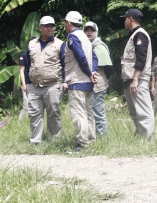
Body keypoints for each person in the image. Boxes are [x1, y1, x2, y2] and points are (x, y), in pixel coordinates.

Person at [25, 15, 66, 145]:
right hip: (34, 86)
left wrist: (64, 82)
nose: (50, 28)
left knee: (54, 114)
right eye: (47, 26)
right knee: (34, 115)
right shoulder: (32, 43)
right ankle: (35, 141)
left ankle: (54, 141)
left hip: (53, 85)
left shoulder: (60, 44)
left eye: (52, 26)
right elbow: (27, 64)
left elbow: (66, 64)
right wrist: (26, 82)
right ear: (40, 28)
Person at [63, 11, 98, 151]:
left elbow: (80, 56)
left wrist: (89, 73)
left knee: (78, 112)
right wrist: (93, 72)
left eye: (65, 22)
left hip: (78, 80)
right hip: (88, 82)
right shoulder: (85, 37)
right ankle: (92, 140)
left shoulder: (73, 37)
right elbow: (94, 57)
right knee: (88, 112)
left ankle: (83, 144)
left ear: (68, 23)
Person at [120, 9, 155, 139]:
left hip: (138, 80)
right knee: (135, 112)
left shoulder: (140, 35)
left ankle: (147, 140)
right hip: (131, 80)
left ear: (130, 19)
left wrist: (135, 79)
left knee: (144, 111)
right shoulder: (134, 35)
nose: (124, 22)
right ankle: (141, 137)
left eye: (125, 19)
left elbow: (141, 58)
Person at [85, 22, 112, 136]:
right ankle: (92, 136)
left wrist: (104, 80)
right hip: (87, 82)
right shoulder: (85, 46)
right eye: (87, 30)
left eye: (92, 30)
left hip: (98, 82)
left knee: (98, 112)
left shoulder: (99, 46)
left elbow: (109, 68)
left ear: (96, 32)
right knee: (88, 112)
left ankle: (102, 137)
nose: (89, 32)